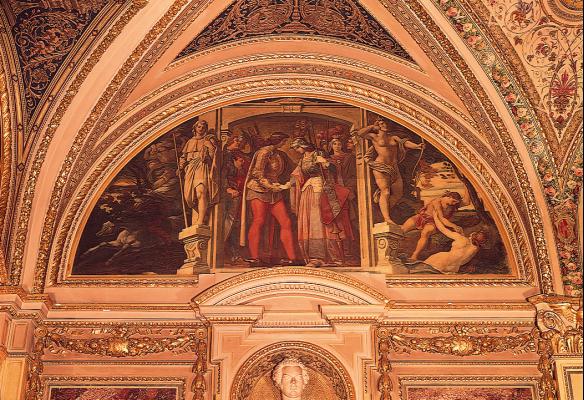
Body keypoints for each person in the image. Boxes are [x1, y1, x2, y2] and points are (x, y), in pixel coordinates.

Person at [288, 138, 352, 266]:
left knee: (320, 220)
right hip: (308, 190)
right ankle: (314, 256)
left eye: (297, 148)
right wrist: (288, 184)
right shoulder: (303, 159)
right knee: (310, 222)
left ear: (303, 145)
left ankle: (329, 257)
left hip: (320, 189)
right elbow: (297, 174)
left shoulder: (319, 154)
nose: (297, 151)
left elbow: (333, 169)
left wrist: (326, 164)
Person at [240, 132, 297, 265]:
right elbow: (257, 173)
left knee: (286, 222)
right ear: (280, 141)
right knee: (259, 220)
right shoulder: (264, 152)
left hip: (274, 191)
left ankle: (292, 258)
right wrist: (271, 186)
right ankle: (255, 258)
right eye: (285, 141)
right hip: (258, 190)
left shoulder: (278, 153)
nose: (287, 144)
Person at [356, 117, 423, 225]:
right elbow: (360, 133)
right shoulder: (374, 136)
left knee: (398, 194)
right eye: (381, 123)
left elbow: (404, 143)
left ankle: (382, 211)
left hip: (394, 168)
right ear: (378, 125)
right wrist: (372, 127)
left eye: (385, 123)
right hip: (381, 166)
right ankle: (387, 218)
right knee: (386, 192)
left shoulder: (394, 137)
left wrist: (417, 146)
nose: (384, 125)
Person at [178, 119, 219, 226]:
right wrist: (181, 167)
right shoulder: (190, 142)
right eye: (199, 127)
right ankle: (202, 214)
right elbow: (184, 157)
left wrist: (210, 146)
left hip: (202, 165)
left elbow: (215, 157)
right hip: (190, 168)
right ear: (195, 128)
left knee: (201, 191)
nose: (201, 129)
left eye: (203, 127)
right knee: (190, 197)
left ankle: (200, 220)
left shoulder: (208, 140)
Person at [401, 191, 464, 260]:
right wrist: (454, 226)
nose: (454, 203)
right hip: (421, 217)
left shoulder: (451, 205)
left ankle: (415, 255)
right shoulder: (437, 202)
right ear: (449, 197)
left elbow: (467, 202)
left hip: (433, 222)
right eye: (454, 201)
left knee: (426, 232)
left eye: (456, 202)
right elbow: (442, 218)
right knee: (402, 229)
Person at [422, 209, 488, 273]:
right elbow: (464, 256)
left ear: (473, 235)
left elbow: (442, 229)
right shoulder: (475, 248)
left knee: (423, 271)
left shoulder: (461, 238)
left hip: (442, 259)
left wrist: (435, 217)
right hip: (453, 268)